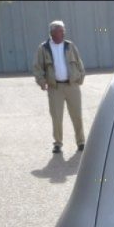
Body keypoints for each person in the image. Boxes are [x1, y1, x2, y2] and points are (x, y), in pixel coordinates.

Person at [33, 20, 86, 153]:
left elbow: (79, 63)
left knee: (77, 115)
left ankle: (81, 142)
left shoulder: (70, 46)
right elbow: (37, 67)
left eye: (63, 30)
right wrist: (41, 81)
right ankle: (58, 143)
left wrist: (80, 77)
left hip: (72, 85)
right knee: (56, 117)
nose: (63, 33)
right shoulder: (43, 48)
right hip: (54, 87)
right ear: (52, 32)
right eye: (60, 31)